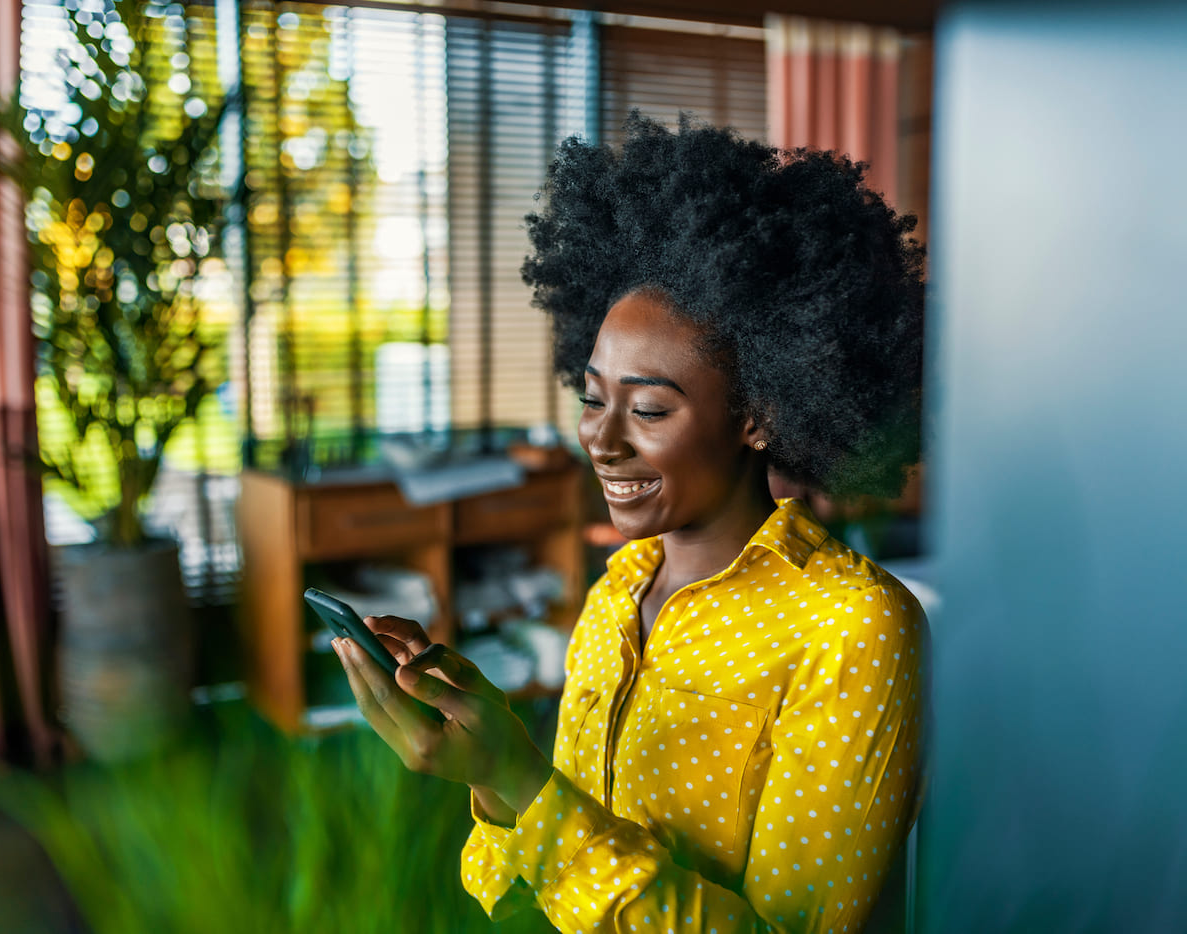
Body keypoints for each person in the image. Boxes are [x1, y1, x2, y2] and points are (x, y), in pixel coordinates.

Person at [331, 113, 928, 934]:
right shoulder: (620, 590)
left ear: (761, 415)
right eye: (592, 398)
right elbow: (516, 892)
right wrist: (495, 764)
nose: (601, 441)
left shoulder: (851, 629)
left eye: (648, 408)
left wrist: (525, 782)